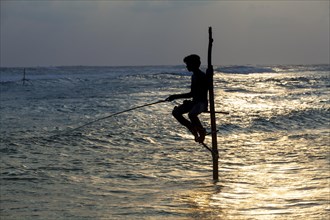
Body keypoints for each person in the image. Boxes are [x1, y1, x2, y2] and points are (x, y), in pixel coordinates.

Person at [166, 54, 209, 143]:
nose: (187, 66)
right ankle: (193, 129)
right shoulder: (194, 76)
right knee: (176, 112)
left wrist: (175, 96)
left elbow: (192, 94)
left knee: (191, 114)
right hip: (195, 102)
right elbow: (193, 94)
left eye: (188, 64)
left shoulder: (200, 76)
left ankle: (201, 131)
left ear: (194, 64)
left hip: (201, 103)